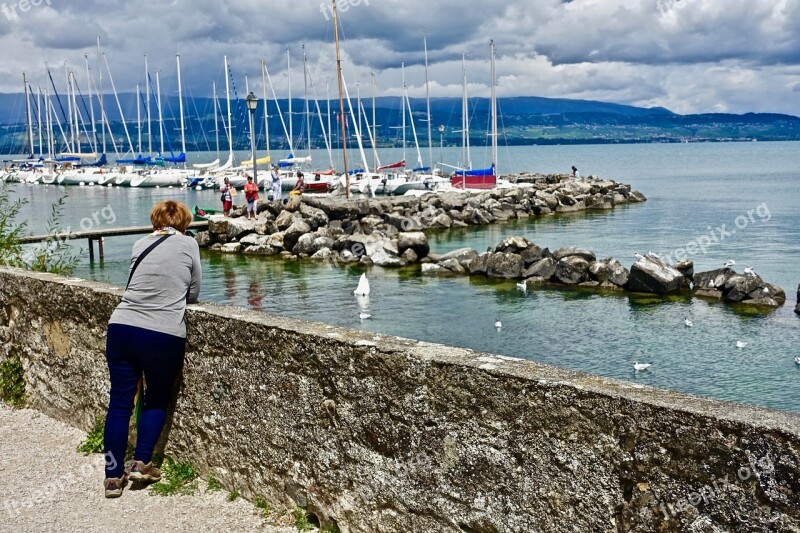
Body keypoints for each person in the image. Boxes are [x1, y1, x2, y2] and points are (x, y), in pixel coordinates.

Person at [102, 200, 201, 498]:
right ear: (184, 222)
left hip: (121, 327)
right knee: (156, 398)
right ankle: (142, 463)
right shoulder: (189, 244)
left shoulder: (139, 244)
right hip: (162, 333)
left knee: (120, 404)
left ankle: (112, 477)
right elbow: (194, 292)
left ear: (155, 221)